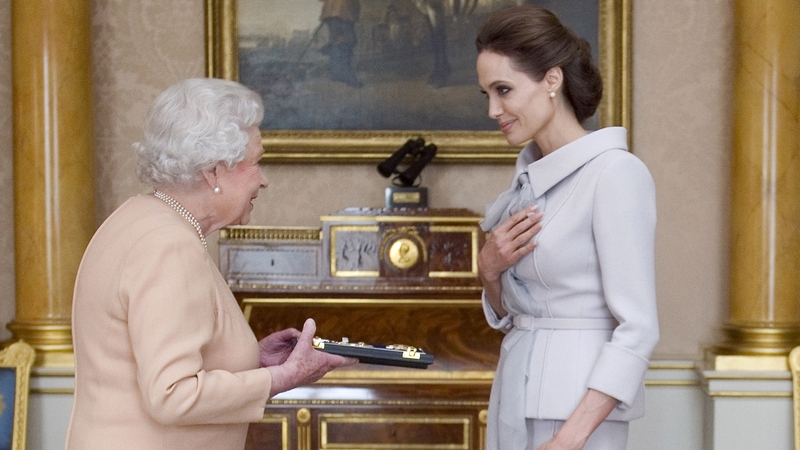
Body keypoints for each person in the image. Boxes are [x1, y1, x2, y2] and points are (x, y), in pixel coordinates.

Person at [65, 78, 356, 450]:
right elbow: (173, 394)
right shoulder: (169, 245)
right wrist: (283, 378)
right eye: (255, 162)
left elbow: (153, 351)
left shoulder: (139, 218)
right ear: (213, 172)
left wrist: (254, 358)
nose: (263, 180)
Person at [475, 6, 659, 450]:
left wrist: (569, 439)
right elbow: (518, 314)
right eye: (486, 94)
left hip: (579, 414)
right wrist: (489, 271)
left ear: (552, 81)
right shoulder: (529, 183)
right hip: (514, 396)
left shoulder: (616, 173)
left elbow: (639, 327)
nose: (492, 109)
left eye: (503, 90)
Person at [319, 0, 362, 87]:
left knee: (338, 40)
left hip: (333, 11)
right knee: (345, 41)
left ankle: (337, 74)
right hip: (343, 9)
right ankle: (346, 76)